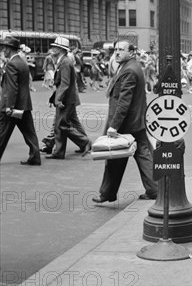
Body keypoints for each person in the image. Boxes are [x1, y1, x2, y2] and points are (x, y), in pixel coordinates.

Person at [93, 41, 157, 204]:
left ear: (131, 52)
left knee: (115, 158)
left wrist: (114, 125)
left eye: (121, 50)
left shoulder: (129, 70)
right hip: (136, 121)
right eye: (116, 49)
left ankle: (107, 193)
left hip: (126, 124)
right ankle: (154, 189)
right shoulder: (131, 66)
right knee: (143, 154)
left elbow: (124, 101)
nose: (117, 52)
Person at [47, 36, 91, 159]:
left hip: (66, 99)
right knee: (67, 123)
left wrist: (58, 99)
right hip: (68, 98)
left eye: (55, 47)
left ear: (61, 49)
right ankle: (59, 152)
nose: (52, 48)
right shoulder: (63, 61)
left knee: (61, 125)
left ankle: (84, 142)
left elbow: (64, 83)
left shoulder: (65, 62)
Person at [0, 35, 41, 165]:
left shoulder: (12, 64)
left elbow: (12, 88)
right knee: (30, 133)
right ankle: (35, 156)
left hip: (13, 105)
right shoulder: (21, 62)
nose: (3, 51)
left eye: (4, 48)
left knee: (2, 132)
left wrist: (9, 106)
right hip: (24, 104)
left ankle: (34, 156)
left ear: (9, 49)